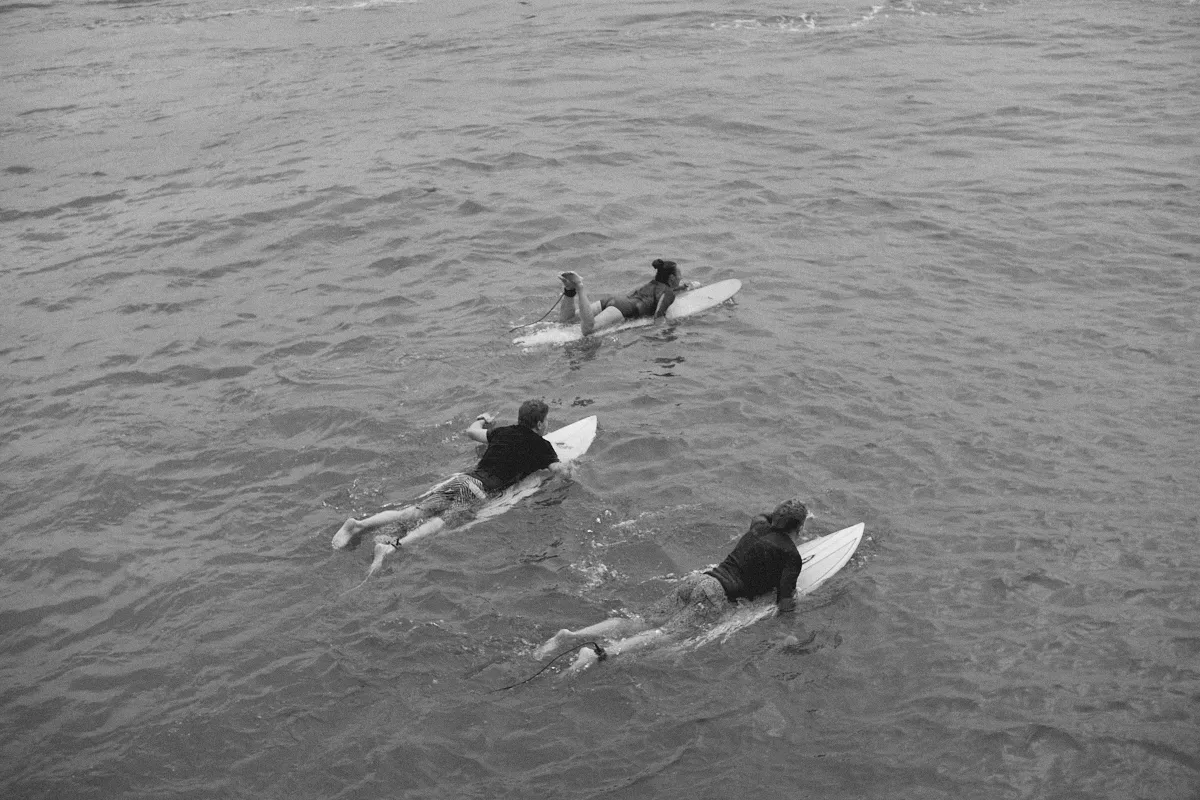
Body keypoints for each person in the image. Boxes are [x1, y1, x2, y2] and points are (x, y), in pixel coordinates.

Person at [533, 499, 810, 671]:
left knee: (640, 621)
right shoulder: (790, 555)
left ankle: (569, 635)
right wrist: (787, 632)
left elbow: (762, 517)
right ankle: (597, 654)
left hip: (699, 580)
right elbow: (785, 603)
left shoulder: (759, 527)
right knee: (666, 635)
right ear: (798, 528)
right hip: (716, 596)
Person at [331, 400, 568, 557]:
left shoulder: (503, 431)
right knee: (441, 522)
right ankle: (393, 547)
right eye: (546, 421)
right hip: (480, 491)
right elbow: (558, 470)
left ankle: (359, 525)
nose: (548, 424)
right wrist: (570, 470)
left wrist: (482, 418)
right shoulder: (542, 445)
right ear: (539, 424)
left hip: (463, 480)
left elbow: (471, 432)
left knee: (413, 512)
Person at [557, 258, 692, 336]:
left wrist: (684, 287)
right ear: (672, 278)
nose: (681, 277)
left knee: (567, 320)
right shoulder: (667, 293)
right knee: (588, 329)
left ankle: (569, 291)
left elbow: (660, 293)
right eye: (679, 275)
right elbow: (659, 315)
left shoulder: (654, 284)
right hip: (624, 309)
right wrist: (667, 331)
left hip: (615, 301)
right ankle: (580, 287)